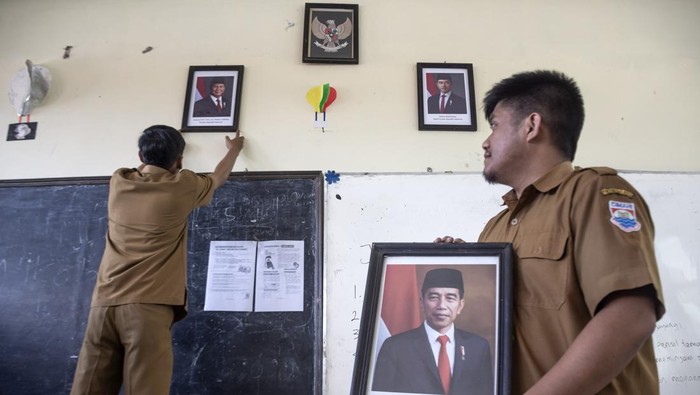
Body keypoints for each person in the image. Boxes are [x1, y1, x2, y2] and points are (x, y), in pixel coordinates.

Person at [435, 70, 665, 394]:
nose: (485, 143)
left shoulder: (593, 193)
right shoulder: (495, 227)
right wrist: (457, 265)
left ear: (532, 126)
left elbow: (631, 316)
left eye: (495, 126)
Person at [71, 125, 244, 395]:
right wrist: (234, 150)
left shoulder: (119, 181)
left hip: (103, 304)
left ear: (140, 155)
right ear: (180, 161)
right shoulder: (183, 186)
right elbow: (217, 177)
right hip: (147, 308)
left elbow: (146, 167)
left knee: (88, 387)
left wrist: (163, 140)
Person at [372, 268, 493, 395]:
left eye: (450, 298)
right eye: (434, 297)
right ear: (422, 303)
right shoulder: (395, 346)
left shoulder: (478, 347)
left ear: (460, 305)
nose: (441, 305)